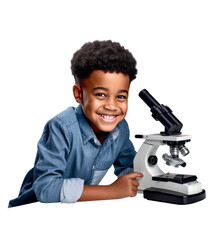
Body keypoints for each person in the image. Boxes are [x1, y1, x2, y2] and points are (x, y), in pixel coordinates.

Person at [9, 40, 143, 207]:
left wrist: (155, 178)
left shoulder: (120, 129)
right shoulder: (61, 127)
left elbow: (130, 168)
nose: (112, 106)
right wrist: (113, 191)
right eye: (101, 94)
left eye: (121, 97)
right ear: (78, 94)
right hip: (34, 210)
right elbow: (46, 188)